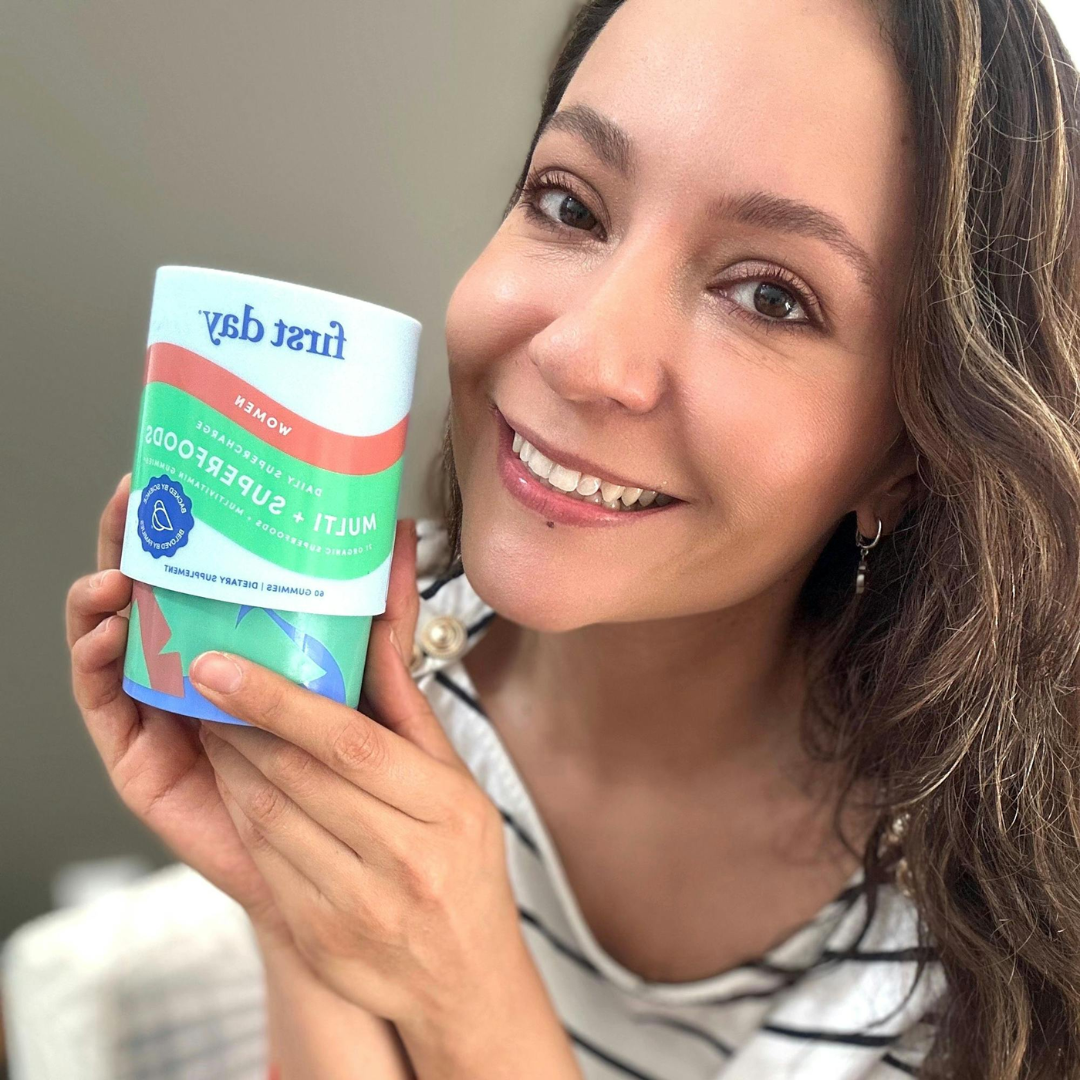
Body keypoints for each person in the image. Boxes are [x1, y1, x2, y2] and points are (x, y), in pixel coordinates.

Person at [64, 0, 1080, 1077]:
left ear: (905, 452)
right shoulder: (357, 655)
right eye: (570, 204)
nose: (583, 354)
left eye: (772, 297)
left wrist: (471, 993)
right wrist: (299, 903)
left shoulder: (974, 929)